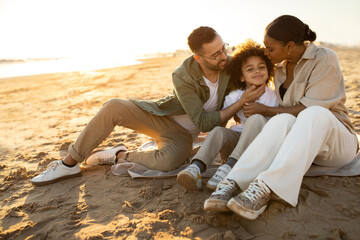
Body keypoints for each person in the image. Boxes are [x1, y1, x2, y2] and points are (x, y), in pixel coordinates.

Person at [32, 26, 265, 186]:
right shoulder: (182, 75)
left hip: (182, 135)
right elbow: (203, 122)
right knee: (113, 106)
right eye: (215, 55)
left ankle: (119, 155)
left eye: (223, 48)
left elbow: (259, 61)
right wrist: (241, 104)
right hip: (161, 119)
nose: (223, 56)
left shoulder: (230, 65)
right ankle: (68, 163)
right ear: (198, 58)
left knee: (168, 162)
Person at [204, 15, 359, 220]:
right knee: (280, 120)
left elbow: (307, 108)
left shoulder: (324, 58)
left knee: (313, 113)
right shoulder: (280, 68)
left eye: (270, 49)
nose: (266, 53)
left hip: (336, 142)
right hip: (304, 144)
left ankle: (267, 187)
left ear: (290, 46)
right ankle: (234, 182)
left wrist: (265, 110)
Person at [176, 39, 278, 191]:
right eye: (250, 69)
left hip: (259, 148)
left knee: (257, 119)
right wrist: (218, 139)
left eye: (261, 67)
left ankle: (229, 168)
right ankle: (196, 168)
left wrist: (262, 110)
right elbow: (221, 124)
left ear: (268, 71)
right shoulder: (235, 96)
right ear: (242, 76)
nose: (257, 71)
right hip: (236, 146)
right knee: (218, 131)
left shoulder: (274, 97)